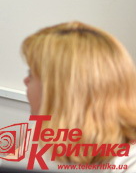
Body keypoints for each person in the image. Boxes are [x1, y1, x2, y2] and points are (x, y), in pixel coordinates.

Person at [22, 21, 136, 171]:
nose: (25, 81)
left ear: (59, 88)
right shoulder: (46, 130)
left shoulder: (130, 163)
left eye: (31, 74)